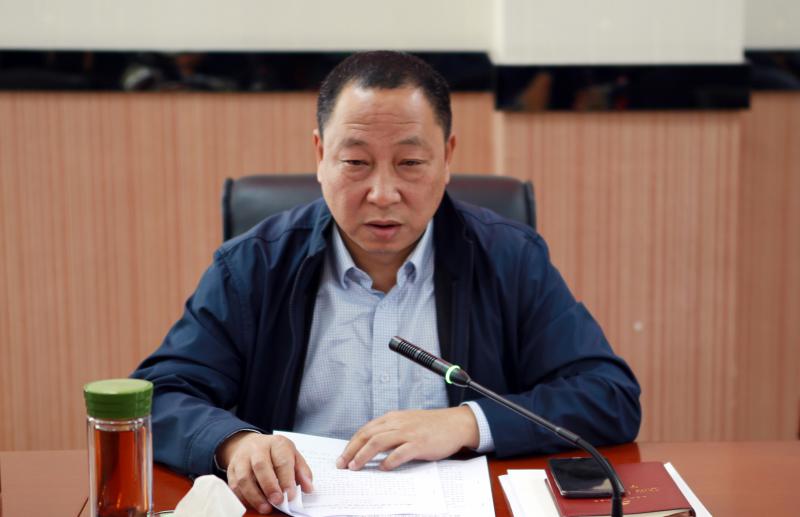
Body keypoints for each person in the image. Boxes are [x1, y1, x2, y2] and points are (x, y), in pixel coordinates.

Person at [132, 50, 641, 514]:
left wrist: (467, 423)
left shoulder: (508, 258)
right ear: (320, 155)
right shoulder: (254, 265)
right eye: (356, 162)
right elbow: (160, 396)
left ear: (447, 158)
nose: (382, 193)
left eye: (410, 163)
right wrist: (236, 443)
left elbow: (607, 394)